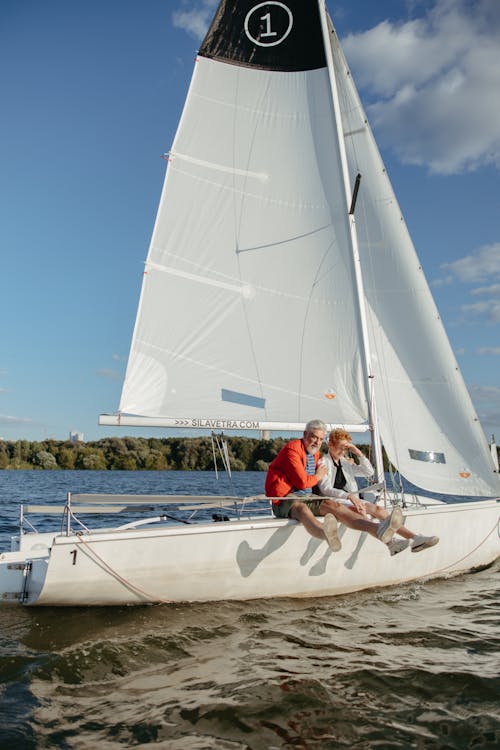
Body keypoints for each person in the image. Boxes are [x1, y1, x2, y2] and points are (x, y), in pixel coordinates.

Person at [265, 419, 406, 553]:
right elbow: (303, 482)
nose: (317, 442)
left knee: (334, 506)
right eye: (314, 437)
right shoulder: (293, 449)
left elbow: (367, 471)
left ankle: (381, 531)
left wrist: (353, 456)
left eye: (320, 439)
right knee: (302, 509)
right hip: (284, 498)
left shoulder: (315, 454)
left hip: (308, 496)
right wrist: (319, 476)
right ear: (305, 434)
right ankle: (326, 534)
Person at [317, 428, 439, 555]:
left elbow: (368, 472)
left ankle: (414, 538)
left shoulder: (345, 463)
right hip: (336, 501)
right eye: (340, 447)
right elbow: (325, 489)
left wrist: (358, 453)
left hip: (351, 499)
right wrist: (349, 497)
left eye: (346, 448)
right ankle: (391, 543)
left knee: (379, 510)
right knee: (361, 512)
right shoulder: (323, 462)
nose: (343, 451)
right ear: (330, 444)